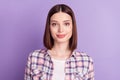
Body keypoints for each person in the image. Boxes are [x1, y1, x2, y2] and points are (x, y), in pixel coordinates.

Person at [24, 4, 94, 80]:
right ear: (49, 27)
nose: (60, 30)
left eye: (66, 24)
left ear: (72, 26)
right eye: (54, 24)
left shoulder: (86, 61)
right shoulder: (34, 58)